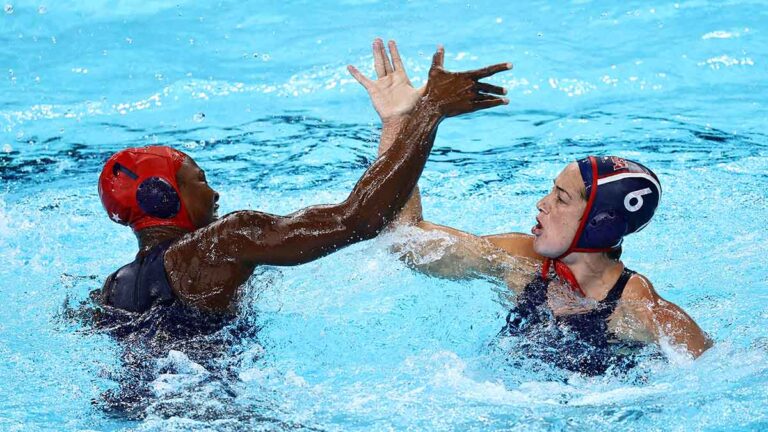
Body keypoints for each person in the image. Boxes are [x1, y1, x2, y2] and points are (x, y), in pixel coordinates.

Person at [350, 39, 712, 375]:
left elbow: (718, 372)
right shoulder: (520, 264)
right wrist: (399, 122)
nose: (542, 204)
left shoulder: (638, 310)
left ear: (598, 223)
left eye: (561, 198)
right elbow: (405, 237)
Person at [94, 43, 512, 316]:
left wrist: (397, 122)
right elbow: (358, 220)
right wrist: (427, 113)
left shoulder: (113, 290)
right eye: (199, 181)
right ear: (161, 196)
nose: (214, 192)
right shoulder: (223, 242)